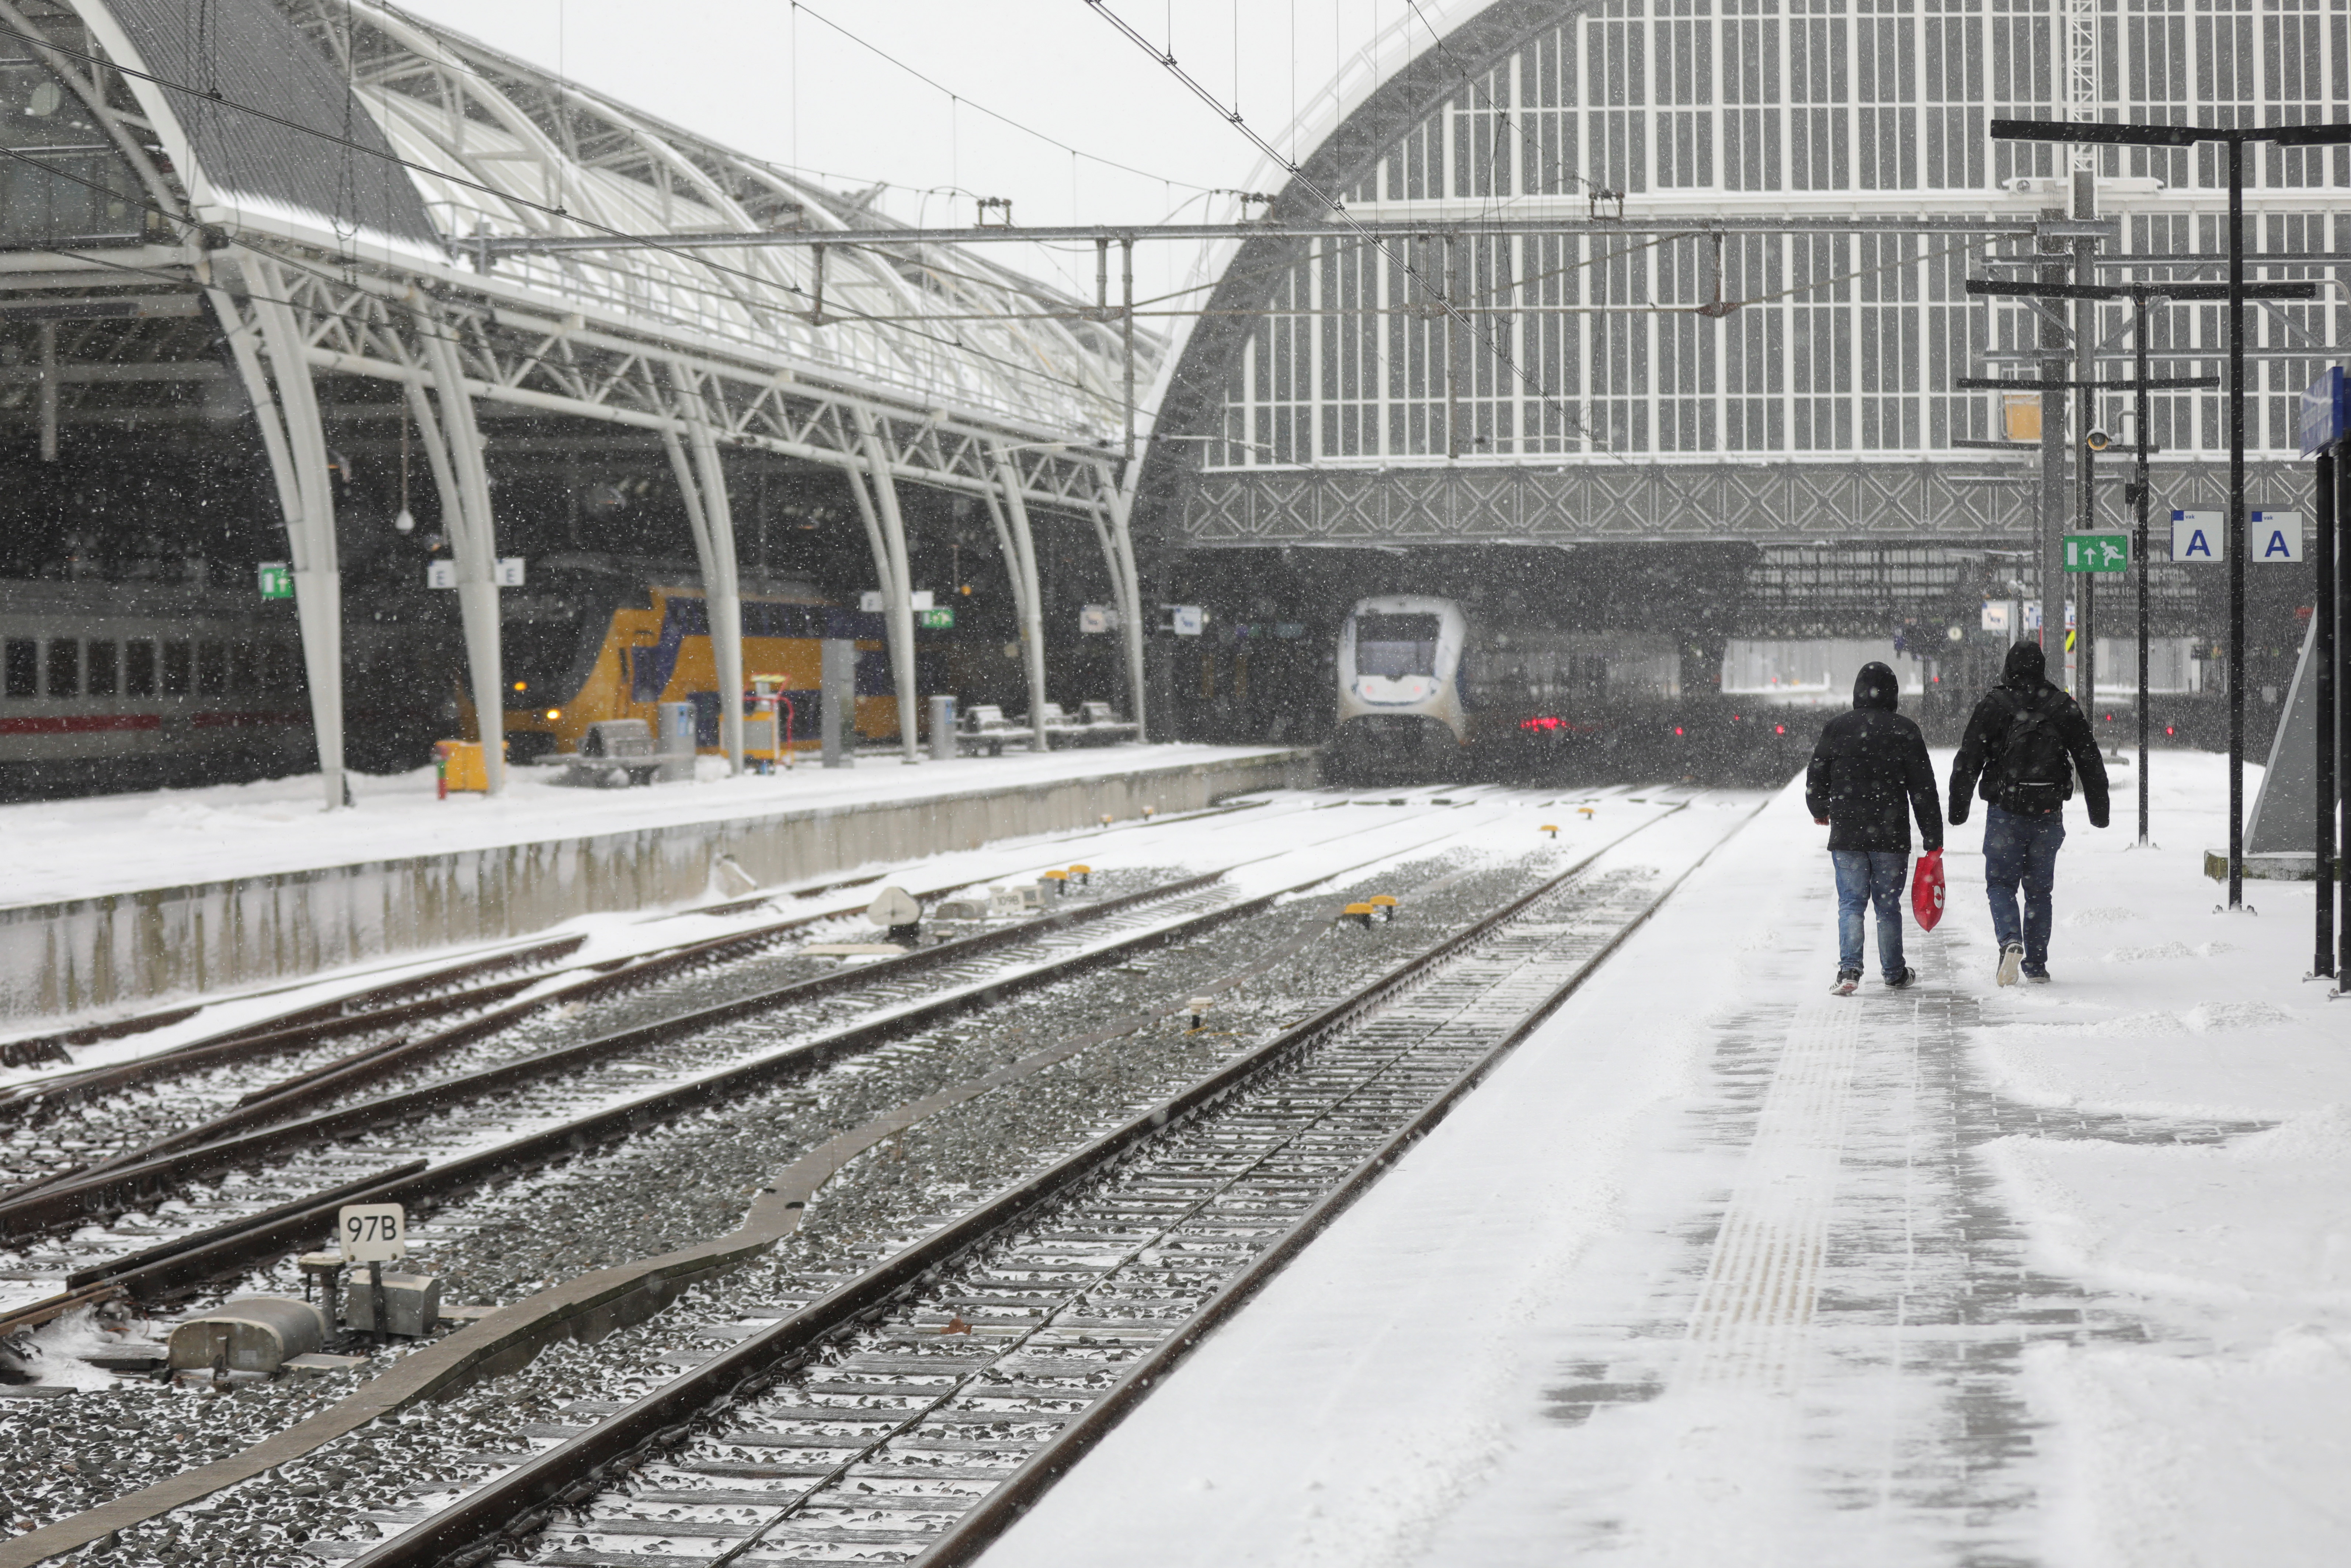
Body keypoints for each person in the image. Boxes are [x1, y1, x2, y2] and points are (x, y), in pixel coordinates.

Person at [1948, 641, 2110, 985]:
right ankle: (2036, 965)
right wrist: (2099, 811)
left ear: (2008, 668)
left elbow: (1968, 759)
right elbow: (2089, 759)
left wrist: (1957, 808)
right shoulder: (2061, 706)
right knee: (2039, 892)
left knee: (2001, 884)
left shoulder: (1994, 705)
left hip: (2006, 811)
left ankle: (2010, 940)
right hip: (2048, 812)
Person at [1806, 661, 1943, 996]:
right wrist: (1932, 836)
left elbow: (1816, 775)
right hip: (1890, 835)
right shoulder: (1905, 730)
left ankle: (1849, 970)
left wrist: (1820, 808)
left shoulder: (1837, 728)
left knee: (1851, 903)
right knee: (1886, 905)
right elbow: (1923, 788)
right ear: (1893, 693)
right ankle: (1894, 972)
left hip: (1847, 836)